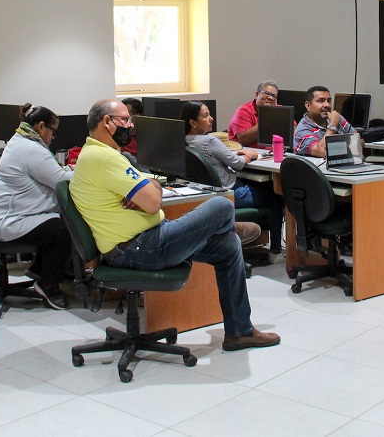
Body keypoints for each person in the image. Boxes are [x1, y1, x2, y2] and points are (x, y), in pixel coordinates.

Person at [70, 99, 280, 351]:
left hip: (144, 242)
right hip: (139, 248)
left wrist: (148, 189)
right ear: (106, 122)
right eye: (125, 120)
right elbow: (152, 202)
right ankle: (224, 225)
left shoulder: (97, 154)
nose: (131, 126)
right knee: (223, 205)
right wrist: (148, 193)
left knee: (229, 245)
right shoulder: (103, 158)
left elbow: (153, 186)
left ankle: (239, 332)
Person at [0, 104, 73, 309]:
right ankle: (48, 285)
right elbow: (61, 182)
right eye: (53, 131)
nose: (53, 137)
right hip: (7, 220)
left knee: (54, 221)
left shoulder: (20, 140)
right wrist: (81, 172)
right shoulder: (31, 149)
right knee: (63, 230)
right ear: (41, 126)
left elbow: (51, 173)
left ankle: (38, 270)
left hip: (2, 213)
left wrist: (68, 170)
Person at [182, 101, 285, 254]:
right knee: (277, 196)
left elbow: (218, 158)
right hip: (231, 193)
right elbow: (237, 163)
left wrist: (233, 155)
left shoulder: (184, 142)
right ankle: (276, 251)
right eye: (206, 116)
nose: (211, 119)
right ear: (193, 122)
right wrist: (250, 156)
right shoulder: (209, 141)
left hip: (208, 195)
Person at [293, 86, 354, 157]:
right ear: (308, 105)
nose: (327, 105)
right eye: (321, 101)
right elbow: (322, 151)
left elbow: (360, 142)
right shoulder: (302, 130)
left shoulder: (336, 118)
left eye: (329, 101)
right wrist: (333, 125)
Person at [227, 80, 280, 146]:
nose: (271, 98)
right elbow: (244, 140)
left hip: (272, 150)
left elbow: (290, 133)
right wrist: (266, 116)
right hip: (247, 150)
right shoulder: (243, 111)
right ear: (257, 95)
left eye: (274, 96)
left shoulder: (279, 110)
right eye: (267, 93)